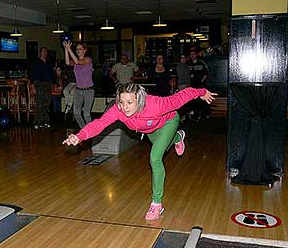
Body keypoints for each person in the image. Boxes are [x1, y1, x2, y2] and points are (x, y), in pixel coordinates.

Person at [63, 83, 217, 220]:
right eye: (122, 102)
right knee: (162, 146)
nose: (125, 107)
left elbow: (182, 95)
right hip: (150, 130)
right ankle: (178, 137)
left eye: (130, 102)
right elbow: (99, 124)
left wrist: (202, 92)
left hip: (168, 121)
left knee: (155, 157)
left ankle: (157, 204)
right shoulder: (118, 110)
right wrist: (79, 136)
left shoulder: (156, 104)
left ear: (139, 100)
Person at [64, 41, 94, 128]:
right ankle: (84, 130)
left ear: (84, 50)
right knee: (77, 113)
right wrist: (66, 49)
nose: (78, 50)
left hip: (88, 90)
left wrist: (69, 49)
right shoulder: (75, 61)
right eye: (76, 49)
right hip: (78, 90)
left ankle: (92, 131)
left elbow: (77, 62)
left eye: (80, 49)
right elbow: (67, 62)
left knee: (86, 114)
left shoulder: (88, 59)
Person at [32, 47, 55, 129]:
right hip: (39, 84)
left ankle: (45, 121)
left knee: (46, 103)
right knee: (40, 103)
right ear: (40, 53)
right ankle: (37, 122)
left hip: (48, 84)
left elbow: (52, 74)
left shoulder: (49, 63)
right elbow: (33, 75)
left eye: (46, 52)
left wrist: (53, 84)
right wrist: (33, 86)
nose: (45, 53)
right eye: (43, 52)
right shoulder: (36, 63)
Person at [187, 50, 209, 121]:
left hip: (199, 85)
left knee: (200, 101)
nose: (192, 55)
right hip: (191, 85)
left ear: (196, 55)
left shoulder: (201, 63)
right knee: (192, 101)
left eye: (193, 54)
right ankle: (193, 116)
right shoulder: (188, 64)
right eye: (191, 54)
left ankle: (201, 115)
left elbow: (206, 74)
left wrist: (202, 81)